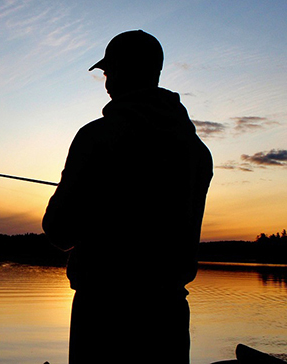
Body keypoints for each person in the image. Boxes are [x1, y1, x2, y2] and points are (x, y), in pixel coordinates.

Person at [42, 30, 213, 364]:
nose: (105, 84)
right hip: (169, 321)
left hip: (103, 317)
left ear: (121, 71)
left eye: (108, 73)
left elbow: (58, 230)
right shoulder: (197, 152)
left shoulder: (96, 137)